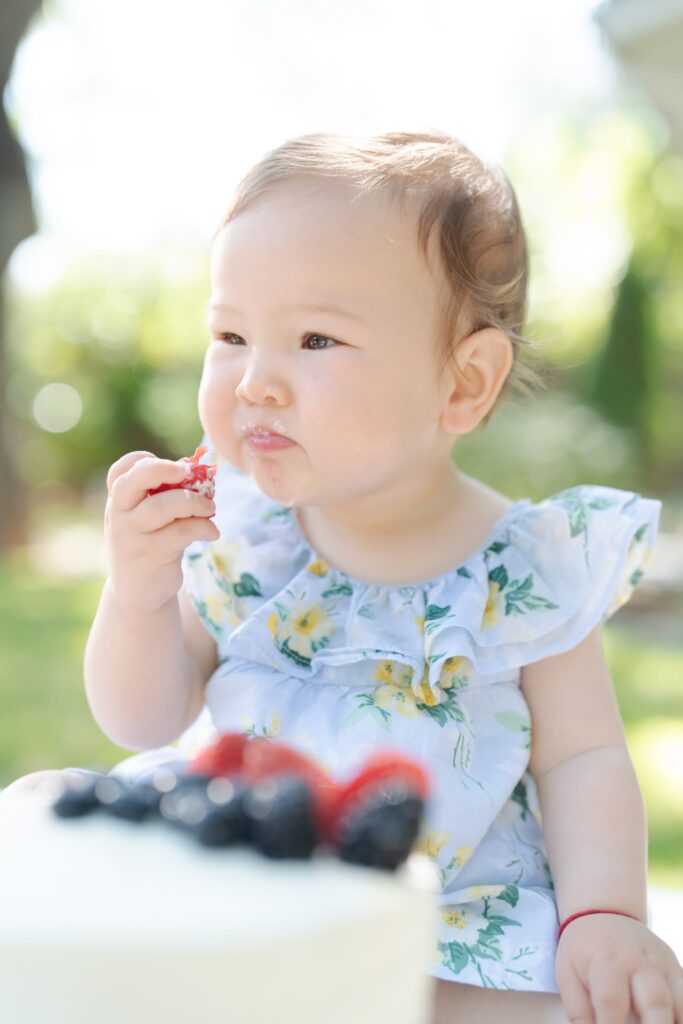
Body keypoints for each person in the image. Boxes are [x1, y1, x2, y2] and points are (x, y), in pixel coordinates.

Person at [5, 129, 683, 1023]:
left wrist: (604, 915)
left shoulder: (527, 570)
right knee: (52, 862)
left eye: (315, 339)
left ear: (463, 384)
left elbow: (583, 758)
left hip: (449, 921)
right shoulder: (241, 537)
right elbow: (142, 719)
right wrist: (138, 595)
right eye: (231, 333)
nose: (255, 381)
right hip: (247, 889)